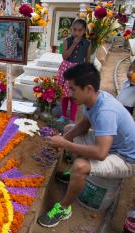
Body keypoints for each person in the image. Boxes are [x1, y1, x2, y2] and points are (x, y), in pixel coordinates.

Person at [38, 63, 135, 228]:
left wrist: (65, 144)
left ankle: (64, 208)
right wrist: (63, 141)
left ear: (88, 88)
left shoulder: (105, 111)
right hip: (111, 147)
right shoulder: (96, 99)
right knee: (69, 129)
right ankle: (76, 178)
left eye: (73, 89)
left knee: (80, 166)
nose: (69, 93)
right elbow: (83, 126)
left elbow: (100, 153)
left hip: (125, 158)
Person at [56, 19, 91, 123]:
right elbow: (64, 56)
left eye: (80, 30)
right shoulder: (67, 40)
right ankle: (63, 115)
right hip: (66, 69)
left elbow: (87, 60)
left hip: (78, 71)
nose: (76, 33)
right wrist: (74, 44)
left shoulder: (87, 43)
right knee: (65, 95)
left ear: (84, 31)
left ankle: (72, 119)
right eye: (74, 30)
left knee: (74, 96)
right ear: (71, 29)